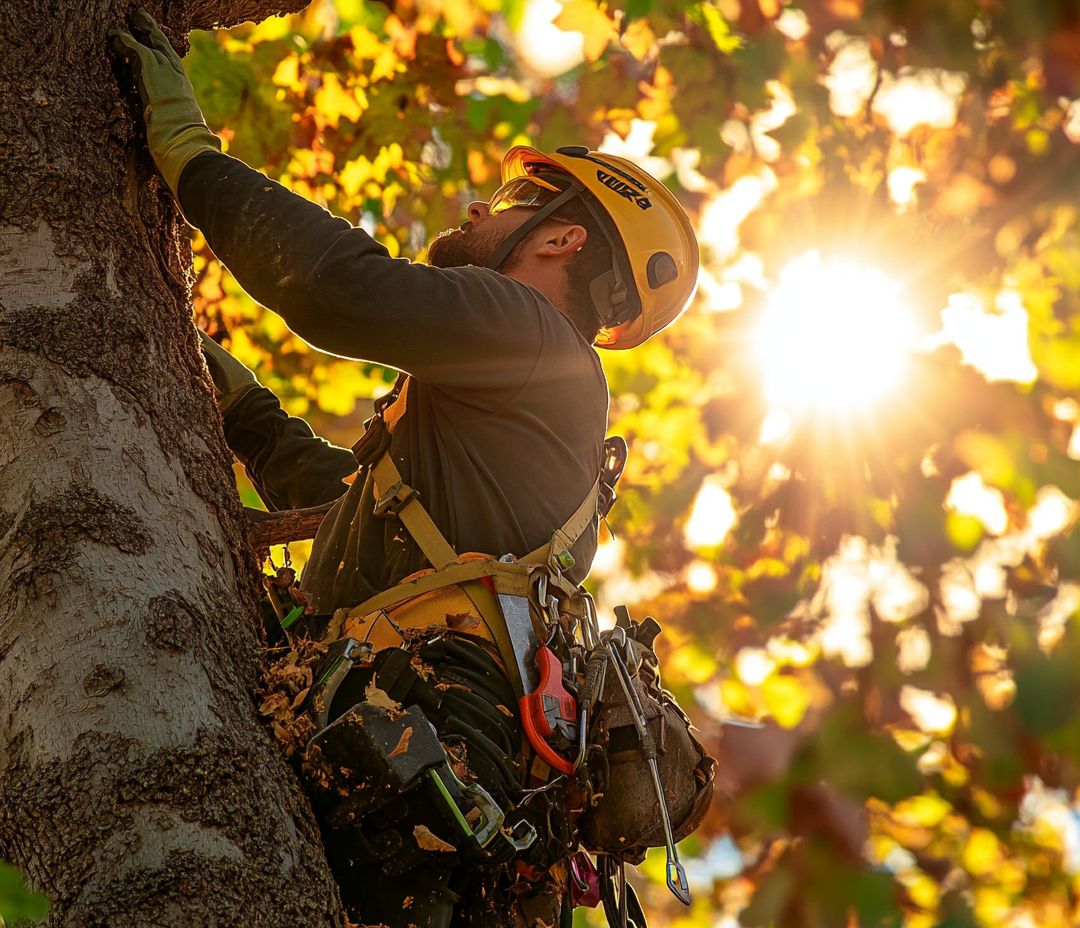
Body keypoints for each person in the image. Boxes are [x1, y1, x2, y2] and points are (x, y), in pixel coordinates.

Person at [111, 10, 708, 928]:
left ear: (563, 240)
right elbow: (352, 513)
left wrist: (190, 152)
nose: (480, 209)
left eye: (513, 197)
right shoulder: (522, 415)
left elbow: (336, 286)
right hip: (423, 769)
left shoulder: (531, 334)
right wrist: (232, 399)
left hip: (423, 747)